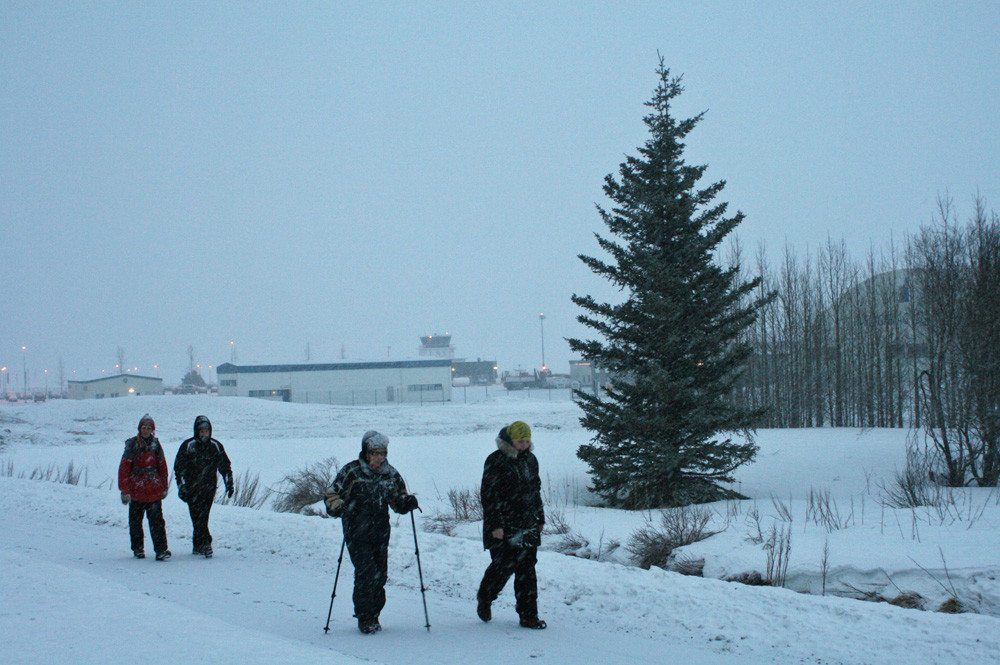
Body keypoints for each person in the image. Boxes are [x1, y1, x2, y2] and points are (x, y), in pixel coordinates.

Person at [324, 430, 419, 634]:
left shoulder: (390, 474)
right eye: (375, 453)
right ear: (366, 453)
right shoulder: (352, 472)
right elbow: (331, 495)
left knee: (380, 575)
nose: (379, 458)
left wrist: (407, 502)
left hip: (381, 531)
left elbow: (397, 501)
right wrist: (340, 507)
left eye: (382, 453)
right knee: (366, 572)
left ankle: (375, 613)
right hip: (356, 531)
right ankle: (365, 617)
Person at [477, 420, 546, 629]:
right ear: (510, 440)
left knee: (527, 571)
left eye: (527, 440)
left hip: (527, 524)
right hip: (503, 525)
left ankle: (528, 616)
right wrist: (496, 525)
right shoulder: (496, 460)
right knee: (503, 567)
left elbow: (536, 491)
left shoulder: (531, 460)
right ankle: (485, 597)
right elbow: (489, 496)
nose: (524, 444)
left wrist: (540, 517)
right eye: (520, 440)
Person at [174, 415, 233, 558]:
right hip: (192, 488)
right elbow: (179, 468)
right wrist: (181, 486)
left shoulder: (215, 446)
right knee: (196, 517)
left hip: (208, 487)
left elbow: (225, 466)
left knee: (203, 516)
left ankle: (204, 544)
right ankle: (200, 544)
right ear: (196, 431)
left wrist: (229, 483)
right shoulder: (188, 446)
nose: (204, 434)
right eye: (201, 431)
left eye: (206, 431)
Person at [118, 413, 171, 561]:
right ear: (139, 429)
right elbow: (124, 468)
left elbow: (162, 466)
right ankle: (138, 549)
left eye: (148, 428)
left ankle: (161, 550)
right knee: (135, 522)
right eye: (143, 428)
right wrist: (125, 490)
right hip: (136, 489)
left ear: (152, 430)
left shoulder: (155, 444)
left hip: (153, 488)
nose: (146, 430)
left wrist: (164, 486)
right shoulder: (132, 444)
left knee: (157, 522)